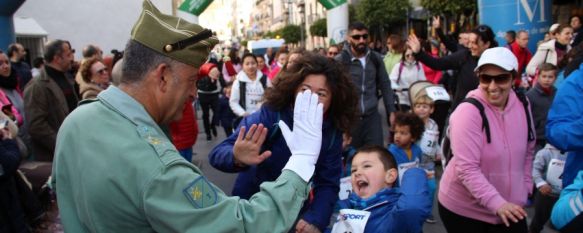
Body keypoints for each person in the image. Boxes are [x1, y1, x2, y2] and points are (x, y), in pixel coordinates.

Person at [51, 1, 327, 232]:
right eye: (192, 80)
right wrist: (301, 164)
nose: (194, 93)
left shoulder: (76, 121)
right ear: (162, 76)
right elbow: (244, 225)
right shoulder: (158, 168)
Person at [210, 52, 358, 232]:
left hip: (292, 210)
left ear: (333, 98)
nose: (310, 98)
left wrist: (315, 219)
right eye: (305, 90)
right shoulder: (271, 114)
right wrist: (235, 156)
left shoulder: (332, 131)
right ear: (293, 89)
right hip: (252, 205)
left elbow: (328, 182)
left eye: (321, 93)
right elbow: (217, 154)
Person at [438, 47, 535, 233]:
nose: (492, 86)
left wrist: (525, 187)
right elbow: (467, 169)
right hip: (465, 210)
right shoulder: (468, 112)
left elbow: (529, 149)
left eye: (501, 78)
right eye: (485, 78)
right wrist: (497, 204)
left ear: (513, 77)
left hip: (510, 206)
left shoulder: (523, 103)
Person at [329, 145, 430, 233]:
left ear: (390, 176)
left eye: (366, 166)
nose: (357, 172)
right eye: (354, 170)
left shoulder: (393, 215)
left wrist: (413, 172)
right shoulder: (342, 209)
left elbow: (412, 209)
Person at [408, 24, 498, 110]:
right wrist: (419, 52)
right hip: (463, 110)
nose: (470, 46)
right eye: (469, 42)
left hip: (489, 110)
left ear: (487, 44)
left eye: (474, 43)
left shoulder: (497, 62)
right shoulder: (464, 56)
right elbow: (437, 64)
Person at [336, 21, 395, 148]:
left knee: (376, 155)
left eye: (365, 36)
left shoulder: (375, 58)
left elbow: (385, 85)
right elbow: (335, 92)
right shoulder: (341, 61)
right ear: (349, 38)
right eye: (356, 37)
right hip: (350, 119)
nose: (361, 40)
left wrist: (391, 111)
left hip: (372, 116)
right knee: (352, 158)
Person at [24, 39, 78, 162]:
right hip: (53, 156)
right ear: (57, 58)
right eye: (69, 54)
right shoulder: (37, 86)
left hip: (72, 147)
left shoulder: (67, 78)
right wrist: (62, 145)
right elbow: (36, 126)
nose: (72, 58)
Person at [412, 94, 441, 223]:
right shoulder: (411, 123)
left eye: (425, 106)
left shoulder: (433, 124)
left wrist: (439, 151)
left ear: (431, 109)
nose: (421, 109)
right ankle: (412, 209)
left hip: (428, 163)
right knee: (413, 187)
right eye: (418, 106)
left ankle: (427, 211)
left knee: (431, 187)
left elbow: (435, 141)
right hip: (414, 162)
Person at [529, 143, 568, 233]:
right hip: (546, 195)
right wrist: (541, 183)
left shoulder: (576, 153)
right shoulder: (545, 152)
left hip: (566, 196)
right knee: (538, 221)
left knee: (565, 223)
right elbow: (534, 169)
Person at [229, 53, 269, 124]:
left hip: (264, 118)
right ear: (242, 66)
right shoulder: (238, 82)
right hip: (246, 120)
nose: (250, 66)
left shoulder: (265, 79)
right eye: (247, 64)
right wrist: (243, 113)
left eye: (253, 63)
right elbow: (233, 102)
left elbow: (271, 97)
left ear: (257, 64)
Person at [526, 63, 558, 151]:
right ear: (538, 77)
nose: (547, 80)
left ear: (555, 78)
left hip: (552, 137)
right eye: (544, 76)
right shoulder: (530, 96)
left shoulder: (557, 94)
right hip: (537, 138)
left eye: (550, 77)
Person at [197, 62, 223, 141]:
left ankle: (213, 125)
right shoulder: (199, 66)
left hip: (214, 93)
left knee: (217, 112)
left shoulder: (213, 65)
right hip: (203, 94)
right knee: (206, 114)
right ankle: (208, 133)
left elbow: (220, 78)